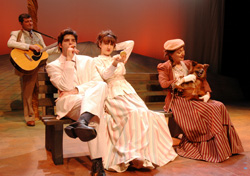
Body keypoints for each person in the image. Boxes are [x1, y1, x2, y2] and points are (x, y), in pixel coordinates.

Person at [94, 30, 177, 172]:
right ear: (99, 44)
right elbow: (105, 75)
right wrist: (114, 62)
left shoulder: (120, 57)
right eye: (105, 43)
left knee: (145, 113)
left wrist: (114, 45)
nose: (108, 47)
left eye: (111, 44)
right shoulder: (97, 60)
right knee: (134, 113)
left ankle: (143, 155)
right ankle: (133, 155)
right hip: (113, 93)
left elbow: (130, 43)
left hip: (127, 91)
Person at [157, 39, 244, 162]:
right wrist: (182, 80)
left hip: (194, 96)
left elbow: (201, 78)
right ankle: (213, 150)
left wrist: (207, 93)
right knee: (210, 109)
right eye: (178, 52)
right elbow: (164, 84)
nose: (182, 54)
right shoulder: (164, 67)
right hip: (179, 100)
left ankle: (226, 148)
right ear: (170, 54)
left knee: (219, 105)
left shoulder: (187, 64)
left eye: (183, 51)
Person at [46, 28, 108, 176]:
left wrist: (78, 89)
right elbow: (65, 87)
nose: (71, 43)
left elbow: (97, 82)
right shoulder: (52, 65)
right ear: (60, 45)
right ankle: (98, 162)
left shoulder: (87, 60)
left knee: (101, 88)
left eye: (73, 41)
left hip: (86, 101)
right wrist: (68, 60)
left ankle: (97, 163)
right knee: (95, 111)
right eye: (67, 41)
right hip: (69, 103)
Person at [7, 13, 58, 126]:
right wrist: (29, 47)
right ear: (21, 23)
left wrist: (56, 48)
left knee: (45, 89)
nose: (30, 23)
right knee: (28, 92)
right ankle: (29, 116)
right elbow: (10, 43)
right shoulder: (16, 34)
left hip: (40, 65)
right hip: (28, 66)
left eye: (31, 21)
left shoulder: (37, 35)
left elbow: (44, 51)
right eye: (27, 22)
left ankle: (47, 113)